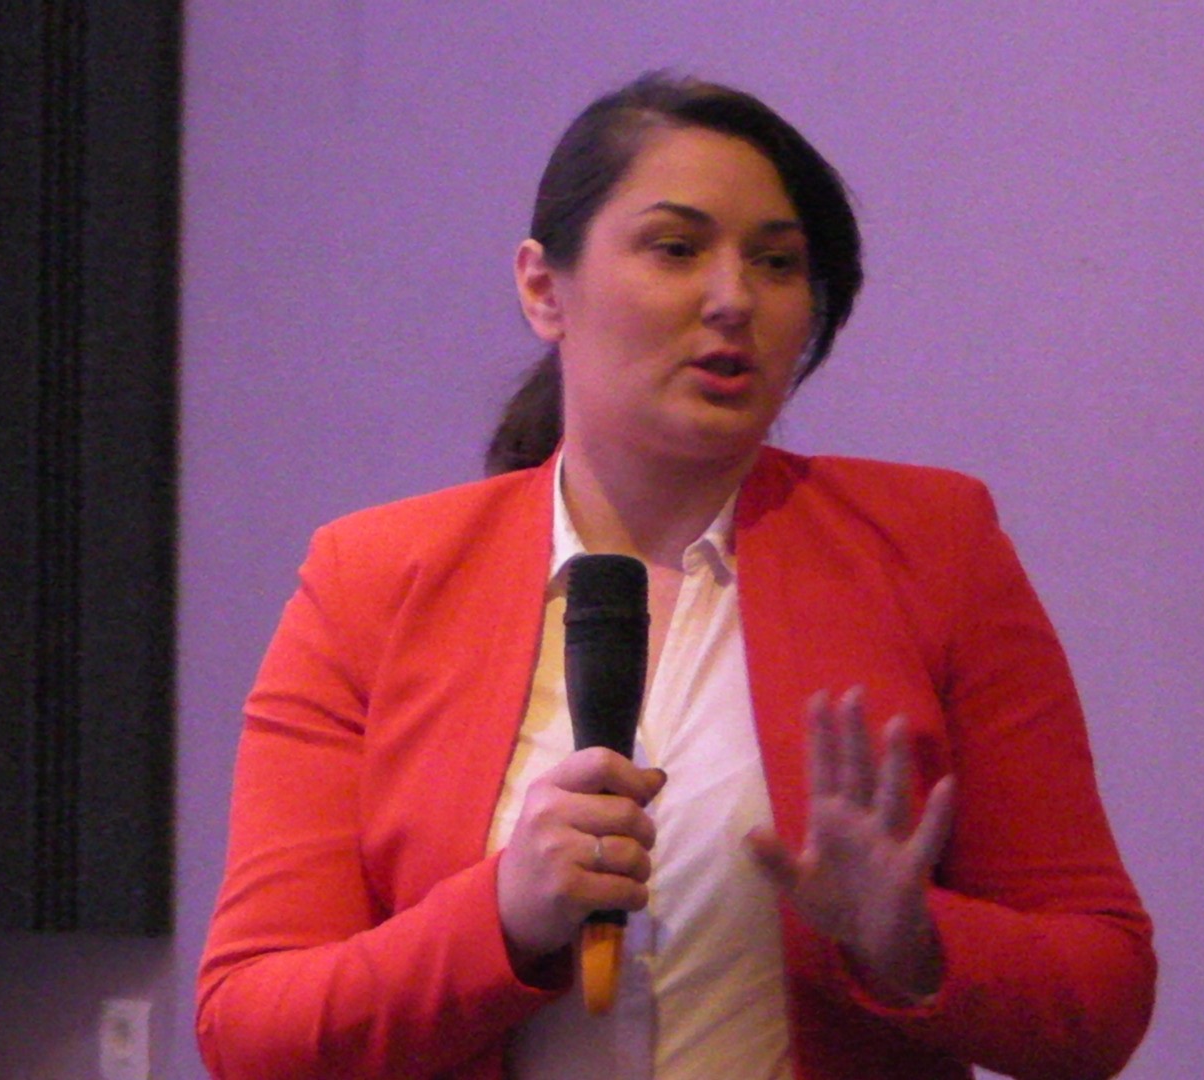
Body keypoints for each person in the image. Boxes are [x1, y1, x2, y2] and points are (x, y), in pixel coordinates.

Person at [196, 73, 1155, 1080]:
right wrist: (501, 918)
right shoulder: (371, 581)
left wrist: (912, 942)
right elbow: (253, 1029)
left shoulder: (931, 548)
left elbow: (1102, 996)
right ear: (544, 289)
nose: (733, 298)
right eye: (676, 248)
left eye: (777, 263)